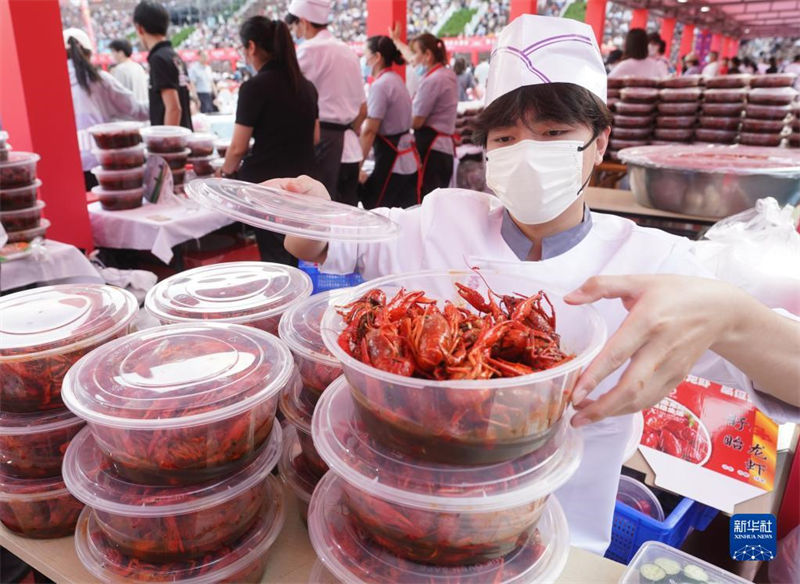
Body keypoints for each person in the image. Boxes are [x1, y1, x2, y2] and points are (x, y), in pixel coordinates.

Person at [276, 14, 800, 555]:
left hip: (567, 540)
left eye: (553, 134)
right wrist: (308, 216)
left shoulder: (656, 261)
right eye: (506, 137)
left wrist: (731, 317)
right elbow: (336, 240)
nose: (527, 152)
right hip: (420, 517)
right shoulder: (438, 220)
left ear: (599, 142)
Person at [218, 16, 319, 267]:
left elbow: (237, 148)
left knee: (277, 260)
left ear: (251, 47)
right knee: (298, 255)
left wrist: (224, 174)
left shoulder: (253, 88)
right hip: (303, 185)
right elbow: (315, 137)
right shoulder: (306, 87)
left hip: (268, 190)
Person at [286, 0, 367, 207]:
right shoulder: (348, 51)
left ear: (304, 22)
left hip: (322, 144)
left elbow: (292, 97)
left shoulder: (307, 51)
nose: (296, 33)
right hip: (351, 150)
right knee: (348, 214)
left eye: (295, 27)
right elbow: (363, 109)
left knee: (320, 214)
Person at [63, 28, 148, 190]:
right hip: (105, 161)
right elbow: (135, 110)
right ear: (89, 54)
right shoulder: (102, 80)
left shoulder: (52, 85)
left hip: (70, 165)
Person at [359, 35, 418, 210]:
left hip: (392, 159)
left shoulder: (380, 85)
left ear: (377, 57)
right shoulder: (396, 79)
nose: (365, 61)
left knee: (377, 210)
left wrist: (358, 165)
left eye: (366, 55)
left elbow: (370, 130)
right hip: (405, 158)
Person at [409, 33, 459, 197]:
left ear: (428, 55)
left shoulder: (434, 80)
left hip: (433, 150)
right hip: (442, 149)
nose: (412, 59)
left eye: (415, 53)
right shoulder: (447, 74)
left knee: (428, 199)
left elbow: (417, 121)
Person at [132, 0, 193, 129]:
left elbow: (174, 109)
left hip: (171, 139)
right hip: (184, 134)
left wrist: (166, 140)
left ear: (140, 28)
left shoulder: (158, 59)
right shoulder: (174, 56)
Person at [108, 38, 148, 103]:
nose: (111, 54)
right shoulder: (138, 67)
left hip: (130, 107)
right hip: (144, 106)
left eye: (113, 51)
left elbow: (118, 95)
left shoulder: (120, 69)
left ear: (121, 53)